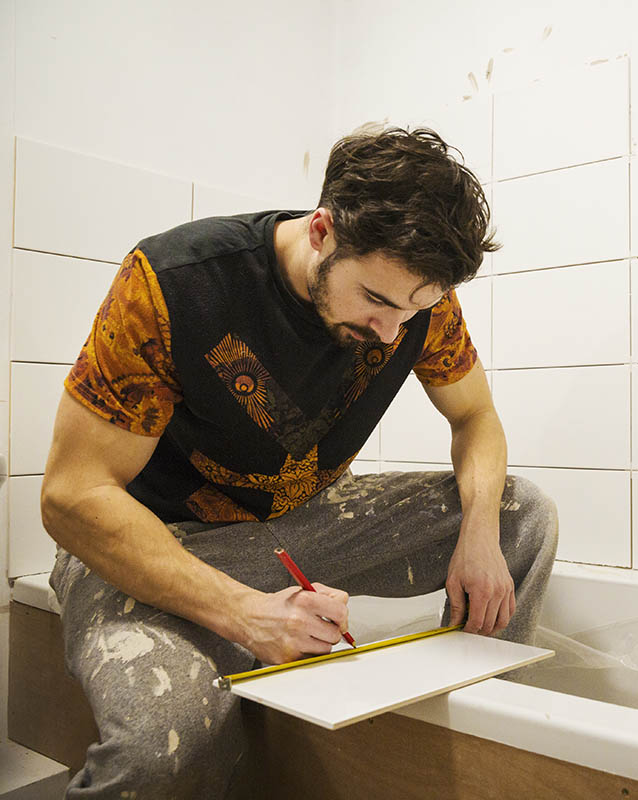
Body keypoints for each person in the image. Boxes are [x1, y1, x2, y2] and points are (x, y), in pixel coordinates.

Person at [41, 127, 559, 798]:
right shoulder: (172, 286)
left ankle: (478, 745)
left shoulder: (415, 295)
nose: (391, 332)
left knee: (521, 515)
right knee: (165, 744)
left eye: (415, 309)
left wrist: (480, 533)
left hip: (292, 528)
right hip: (147, 546)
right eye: (374, 300)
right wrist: (248, 616)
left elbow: (476, 419)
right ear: (321, 231)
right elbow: (70, 497)